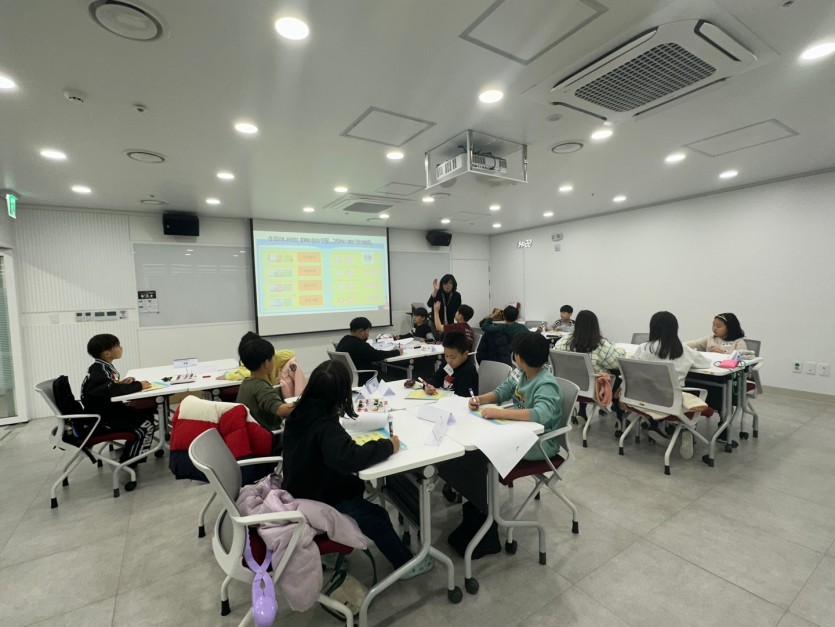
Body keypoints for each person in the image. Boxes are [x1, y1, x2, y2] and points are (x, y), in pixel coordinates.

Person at [281, 360, 433, 579]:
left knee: (363, 497)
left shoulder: (301, 412)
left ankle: (332, 552)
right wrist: (388, 446)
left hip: (299, 486)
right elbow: (350, 459)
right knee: (377, 517)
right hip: (318, 499)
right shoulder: (325, 426)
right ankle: (405, 564)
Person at [468, 333, 563, 461]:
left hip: (540, 441)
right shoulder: (521, 372)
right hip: (520, 430)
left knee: (486, 447)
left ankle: (485, 472)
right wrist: (480, 399)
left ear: (520, 358)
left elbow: (540, 414)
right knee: (481, 439)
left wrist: (500, 413)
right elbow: (503, 391)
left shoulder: (546, 384)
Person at [633, 311, 712, 457]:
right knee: (691, 390)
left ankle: (655, 425)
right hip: (672, 400)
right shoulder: (684, 350)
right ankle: (688, 429)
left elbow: (633, 366)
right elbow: (705, 363)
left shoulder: (643, 348)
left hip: (645, 398)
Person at [80, 334, 155, 465]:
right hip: (104, 417)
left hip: (108, 411)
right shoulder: (100, 371)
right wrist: (139, 386)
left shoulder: (101, 367)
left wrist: (122, 383)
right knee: (147, 426)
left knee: (147, 414)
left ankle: (130, 450)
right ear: (107, 353)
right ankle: (129, 461)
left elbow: (108, 387)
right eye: (118, 346)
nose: (121, 348)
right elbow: (111, 391)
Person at [554, 309, 625, 420]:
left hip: (570, 386)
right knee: (618, 376)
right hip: (594, 388)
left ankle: (582, 411)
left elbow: (555, 354)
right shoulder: (599, 344)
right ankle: (620, 416)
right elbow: (616, 363)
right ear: (595, 326)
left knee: (582, 373)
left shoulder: (564, 341)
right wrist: (622, 351)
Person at [235, 337, 295, 432]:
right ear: (267, 363)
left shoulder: (245, 383)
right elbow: (281, 410)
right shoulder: (261, 387)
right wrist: (304, 403)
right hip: (269, 435)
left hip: (252, 432)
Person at [335, 317, 402, 384]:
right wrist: (397, 352)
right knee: (396, 377)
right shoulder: (359, 344)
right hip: (365, 378)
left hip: (347, 378)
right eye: (368, 331)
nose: (368, 334)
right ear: (361, 331)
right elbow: (377, 355)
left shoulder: (344, 340)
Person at [425, 332, 479, 396]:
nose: (449, 361)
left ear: (465, 354)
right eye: (446, 356)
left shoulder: (468, 371)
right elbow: (435, 378)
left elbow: (465, 398)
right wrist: (428, 385)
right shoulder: (447, 364)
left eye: (453, 358)